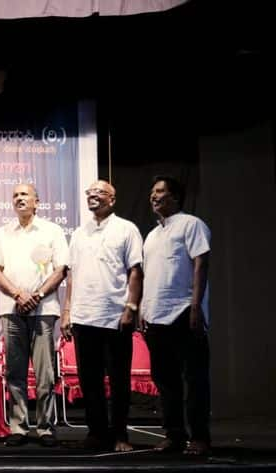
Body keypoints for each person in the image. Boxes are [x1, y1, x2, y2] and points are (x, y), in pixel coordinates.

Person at [61, 180, 143, 452]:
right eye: (89, 193)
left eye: (99, 192)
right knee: (89, 380)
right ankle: (96, 433)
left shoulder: (126, 229)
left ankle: (120, 434)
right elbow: (71, 275)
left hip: (115, 316)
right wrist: (67, 311)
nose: (92, 196)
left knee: (118, 379)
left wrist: (131, 307)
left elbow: (135, 271)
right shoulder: (79, 233)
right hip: (84, 317)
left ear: (112, 199)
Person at [0, 183, 68, 447]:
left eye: (25, 194)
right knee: (15, 372)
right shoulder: (2, 233)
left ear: (37, 201)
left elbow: (60, 269)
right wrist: (18, 295)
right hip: (12, 310)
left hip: (44, 310)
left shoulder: (52, 231)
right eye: (15, 195)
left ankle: (45, 427)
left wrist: (37, 295)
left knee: (45, 374)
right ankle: (19, 427)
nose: (19, 198)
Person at [140, 175, 212, 456]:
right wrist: (145, 309)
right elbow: (150, 277)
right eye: (152, 192)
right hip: (156, 317)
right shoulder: (152, 235)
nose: (153, 196)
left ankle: (199, 437)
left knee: (194, 379)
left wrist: (196, 307)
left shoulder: (191, 224)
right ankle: (174, 435)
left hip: (183, 312)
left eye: (160, 191)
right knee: (165, 380)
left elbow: (201, 264)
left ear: (176, 197)